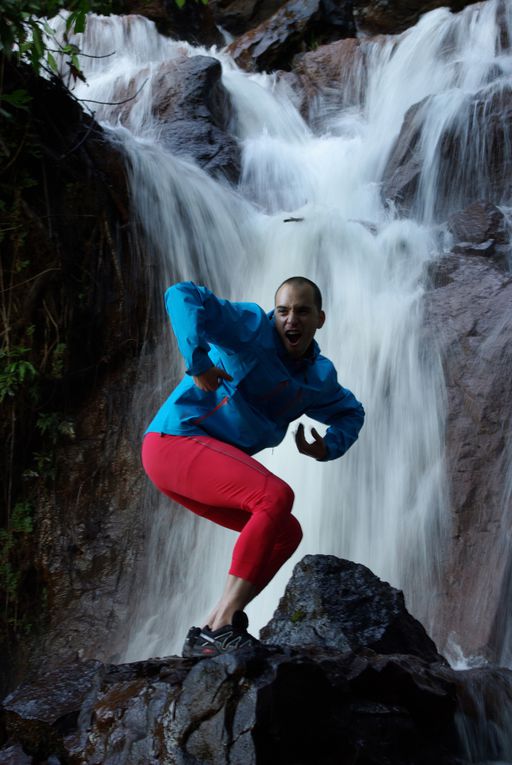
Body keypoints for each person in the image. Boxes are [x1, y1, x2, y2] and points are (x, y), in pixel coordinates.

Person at [142, 277, 364, 658]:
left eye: (302, 311)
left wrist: (327, 445)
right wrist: (197, 361)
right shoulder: (249, 330)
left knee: (285, 532)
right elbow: (181, 294)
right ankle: (225, 622)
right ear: (273, 314)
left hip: (201, 461)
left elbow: (351, 412)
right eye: (283, 311)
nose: (290, 320)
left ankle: (210, 630)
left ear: (320, 319)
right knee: (275, 496)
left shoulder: (318, 378)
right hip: (173, 442)